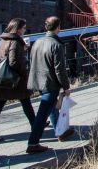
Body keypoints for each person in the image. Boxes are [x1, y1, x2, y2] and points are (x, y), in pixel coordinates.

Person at [26, 16, 75, 154]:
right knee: (42, 114)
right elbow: (59, 69)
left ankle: (60, 132)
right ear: (58, 27)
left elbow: (31, 61)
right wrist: (65, 86)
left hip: (38, 80)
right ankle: (33, 142)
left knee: (52, 108)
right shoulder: (56, 45)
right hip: (50, 83)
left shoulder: (37, 42)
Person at [0, 18, 36, 144]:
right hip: (15, 79)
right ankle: (36, 127)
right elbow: (13, 61)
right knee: (26, 103)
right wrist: (23, 71)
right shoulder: (16, 42)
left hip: (3, 77)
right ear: (18, 29)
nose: (24, 30)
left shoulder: (3, 40)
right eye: (23, 28)